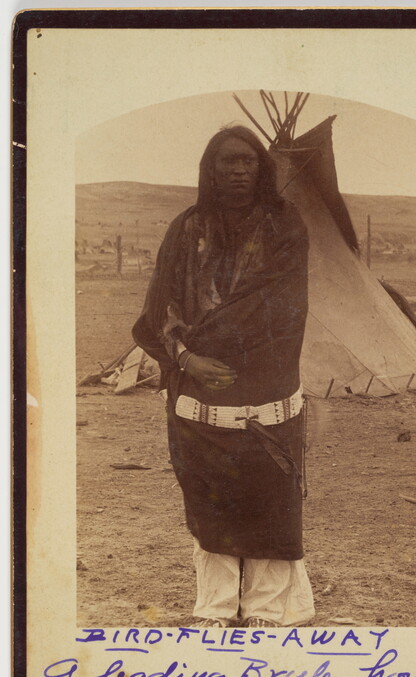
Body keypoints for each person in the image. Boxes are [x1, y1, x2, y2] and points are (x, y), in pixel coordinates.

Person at [133, 125, 315, 628]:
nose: (237, 171)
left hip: (266, 383)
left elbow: (284, 306)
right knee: (210, 501)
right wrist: (186, 358)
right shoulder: (186, 228)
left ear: (261, 168)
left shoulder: (285, 225)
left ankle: (266, 611)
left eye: (247, 161)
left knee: (270, 501)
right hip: (199, 389)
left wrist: (229, 349)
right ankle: (214, 610)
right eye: (227, 162)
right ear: (210, 170)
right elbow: (159, 308)